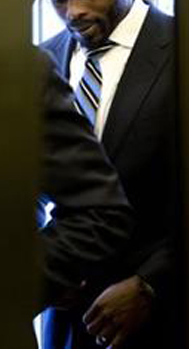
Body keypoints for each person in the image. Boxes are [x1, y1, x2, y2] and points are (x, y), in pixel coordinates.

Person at [38, 0, 179, 349]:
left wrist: (153, 285)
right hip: (65, 325)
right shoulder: (43, 61)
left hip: (160, 322)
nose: (73, 12)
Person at [36, 51, 134, 311]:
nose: (73, 11)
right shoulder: (52, 51)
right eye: (59, 5)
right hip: (62, 316)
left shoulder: (26, 70)